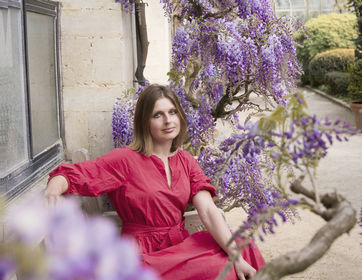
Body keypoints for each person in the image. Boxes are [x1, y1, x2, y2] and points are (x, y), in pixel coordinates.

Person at [45, 84, 265, 280]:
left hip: (179, 246)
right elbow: (77, 174)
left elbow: (207, 209)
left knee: (244, 248)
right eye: (157, 115)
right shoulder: (125, 159)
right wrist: (54, 188)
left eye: (172, 112)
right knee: (218, 267)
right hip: (142, 256)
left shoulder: (186, 161)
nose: (168, 120)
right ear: (144, 122)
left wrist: (235, 255)